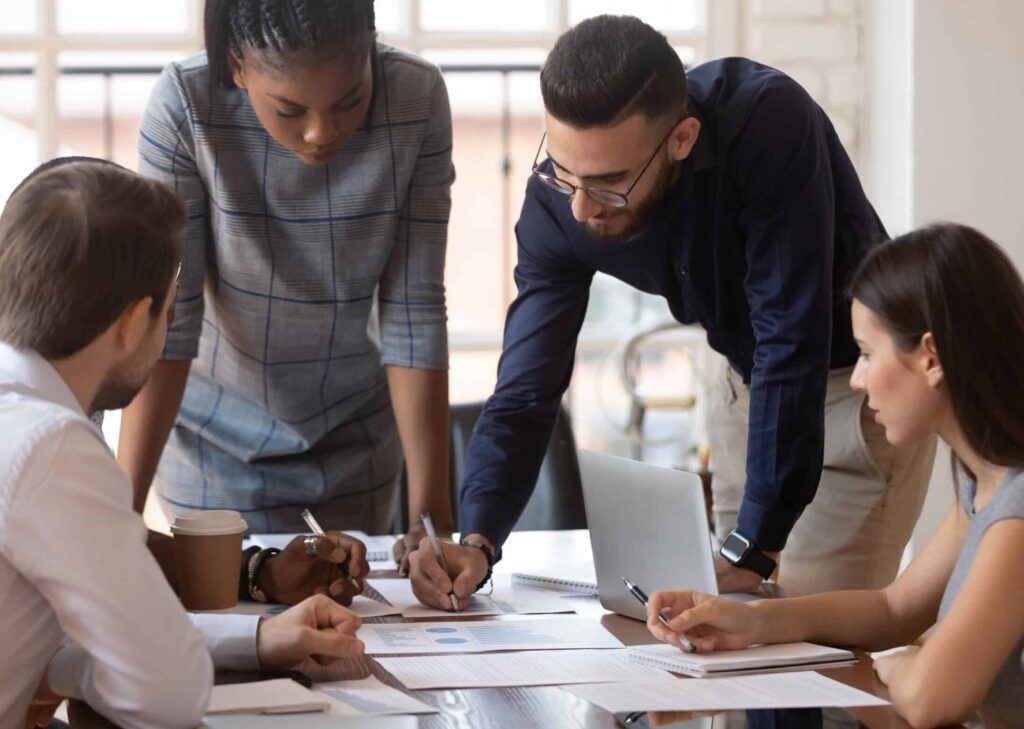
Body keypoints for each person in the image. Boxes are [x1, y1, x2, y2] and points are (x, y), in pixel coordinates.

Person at [408, 15, 936, 609]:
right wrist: (478, 539)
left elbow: (791, 337)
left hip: (859, 398)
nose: (581, 208)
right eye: (564, 170)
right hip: (746, 390)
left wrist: (754, 547)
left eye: (610, 183)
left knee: (812, 645)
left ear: (681, 139)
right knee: (731, 646)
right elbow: (526, 389)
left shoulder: (767, 123)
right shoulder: (557, 202)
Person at [0, 159, 366, 729]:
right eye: (169, 313)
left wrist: (260, 636)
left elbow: (93, 633)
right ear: (132, 323)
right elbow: (165, 692)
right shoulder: (51, 444)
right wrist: (86, 665)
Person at [646, 223, 1024, 729]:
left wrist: (910, 663)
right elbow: (895, 610)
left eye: (867, 354)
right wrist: (747, 622)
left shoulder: (1017, 506)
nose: (859, 379)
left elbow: (933, 699)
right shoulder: (985, 480)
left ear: (931, 358)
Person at [123, 0, 455, 569]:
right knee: (233, 621)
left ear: (372, 48)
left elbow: (413, 311)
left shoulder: (415, 98)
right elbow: (172, 322)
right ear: (237, 66)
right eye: (288, 108)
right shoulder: (185, 106)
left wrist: (432, 521)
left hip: (356, 440)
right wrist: (120, 514)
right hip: (214, 445)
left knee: (350, 631)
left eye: (351, 99)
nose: (321, 133)